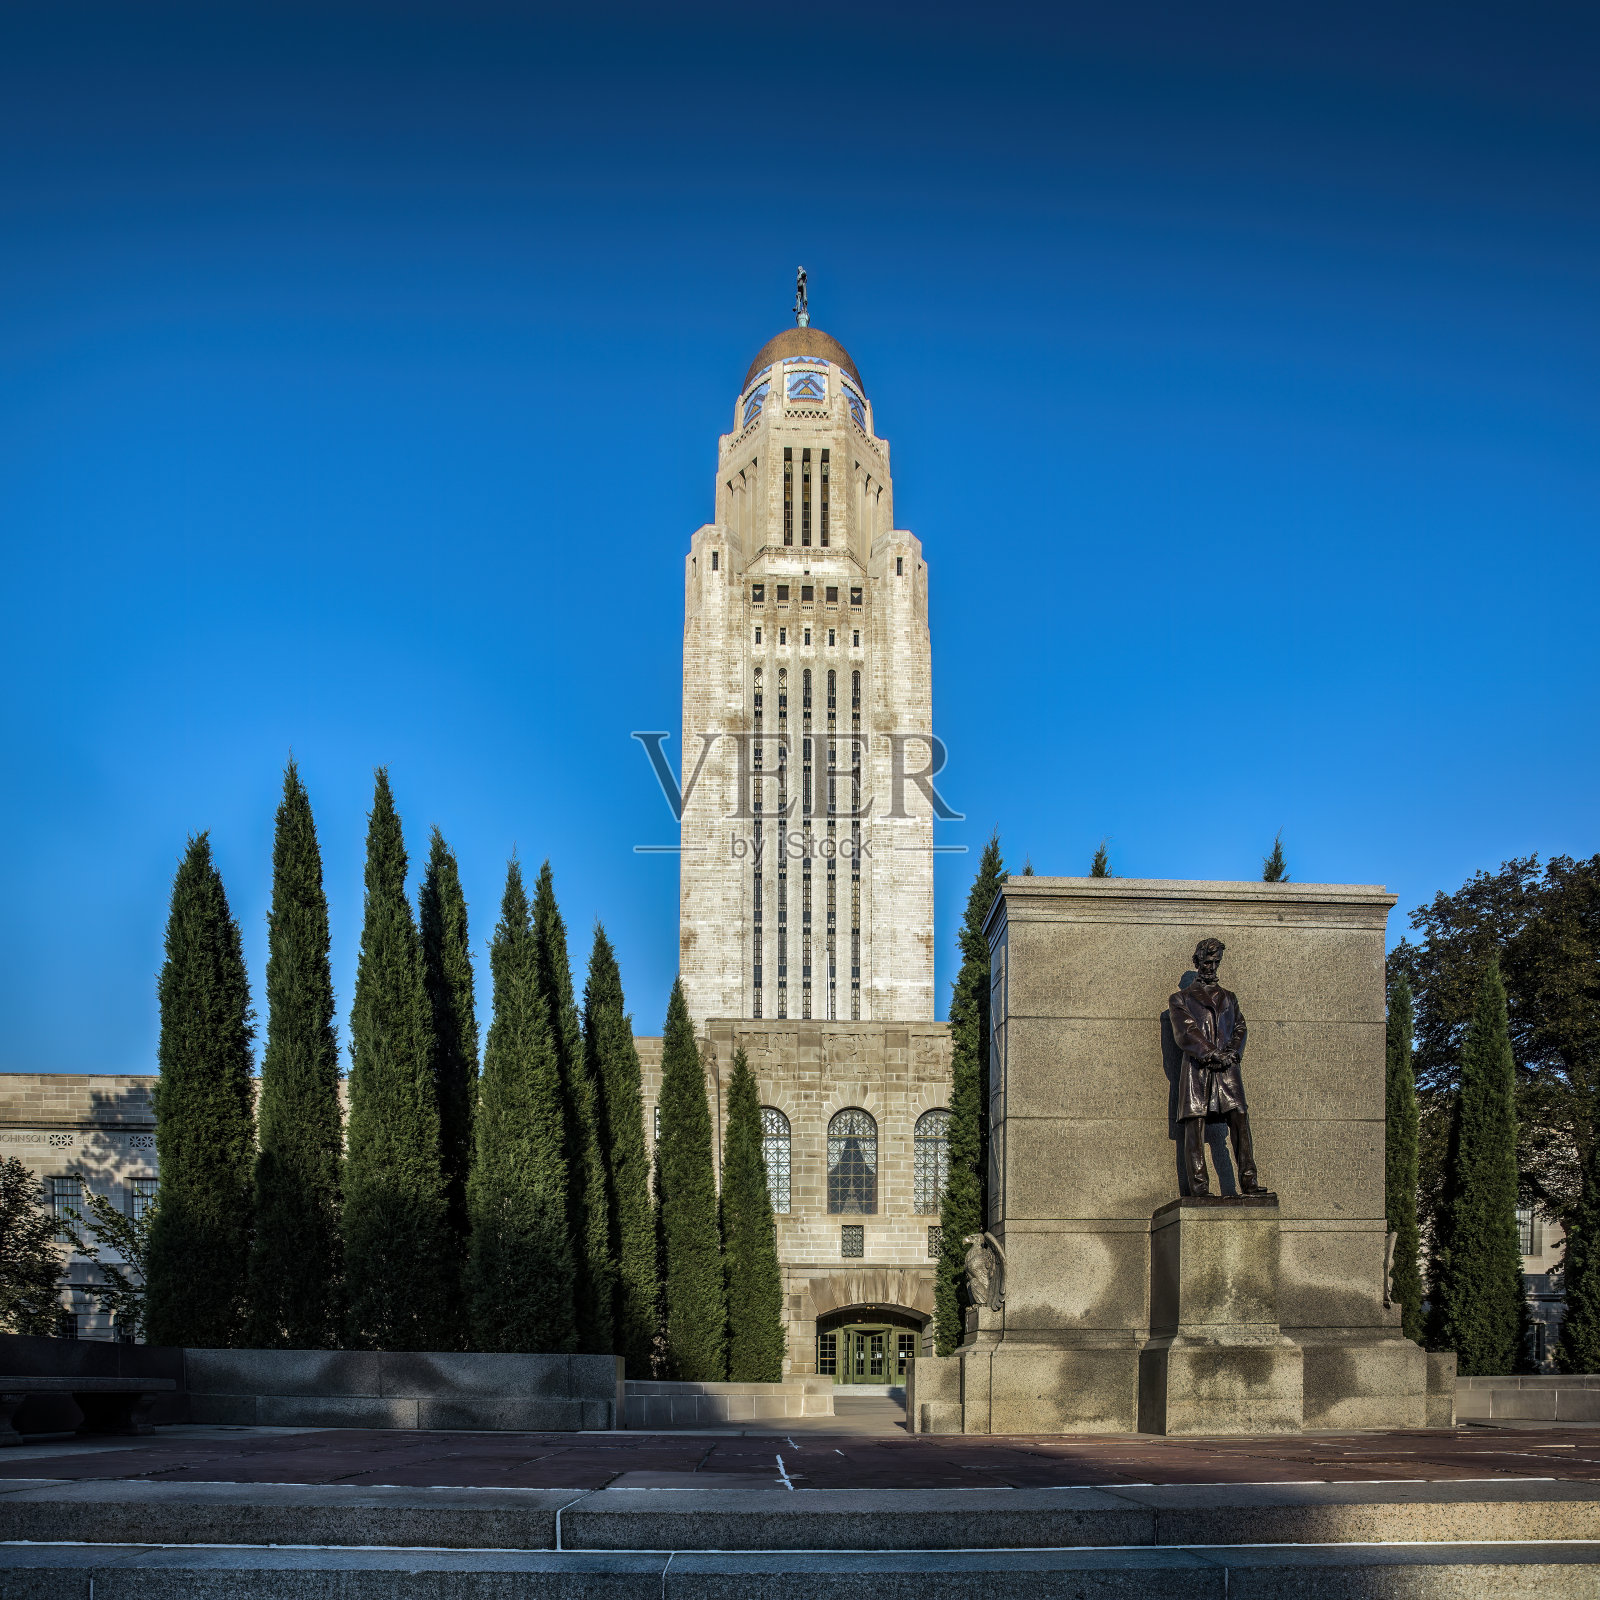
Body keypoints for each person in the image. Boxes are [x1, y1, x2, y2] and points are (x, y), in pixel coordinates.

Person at [1168, 937, 1267, 1197]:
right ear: (1197, 961)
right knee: (1195, 1124)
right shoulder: (1180, 999)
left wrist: (1232, 1052)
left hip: (1228, 1069)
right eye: (1207, 961)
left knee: (1240, 1117)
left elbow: (1240, 1027)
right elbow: (1185, 1032)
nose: (1211, 967)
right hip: (1198, 1070)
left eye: (1215, 962)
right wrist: (1212, 1053)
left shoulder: (1229, 998)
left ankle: (1249, 1182)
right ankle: (1199, 1189)